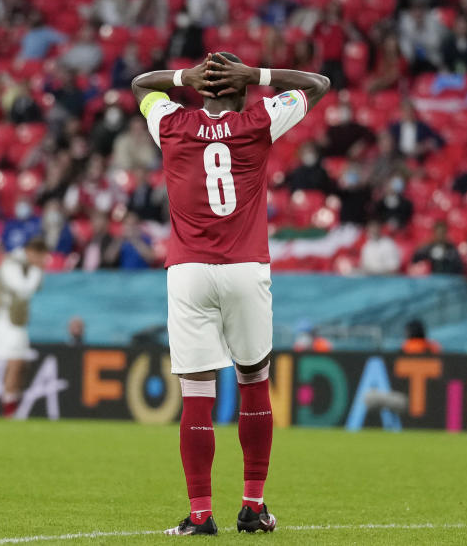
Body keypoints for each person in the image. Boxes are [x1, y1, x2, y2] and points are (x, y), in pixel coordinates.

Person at [131, 52, 329, 535]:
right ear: (242, 90)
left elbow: (140, 85)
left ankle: (200, 514)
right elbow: (319, 83)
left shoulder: (172, 124)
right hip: (245, 267)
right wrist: (259, 76)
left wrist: (181, 77)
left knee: (197, 395)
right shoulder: (257, 120)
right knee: (253, 382)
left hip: (189, 271)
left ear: (200, 89)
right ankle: (253, 506)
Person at [0, 236, 47, 418]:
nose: (42, 262)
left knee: (21, 363)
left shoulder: (25, 265)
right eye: (41, 257)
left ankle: (11, 403)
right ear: (31, 252)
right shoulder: (11, 264)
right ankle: (9, 410)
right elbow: (24, 289)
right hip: (5, 320)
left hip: (18, 321)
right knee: (14, 362)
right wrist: (37, 270)